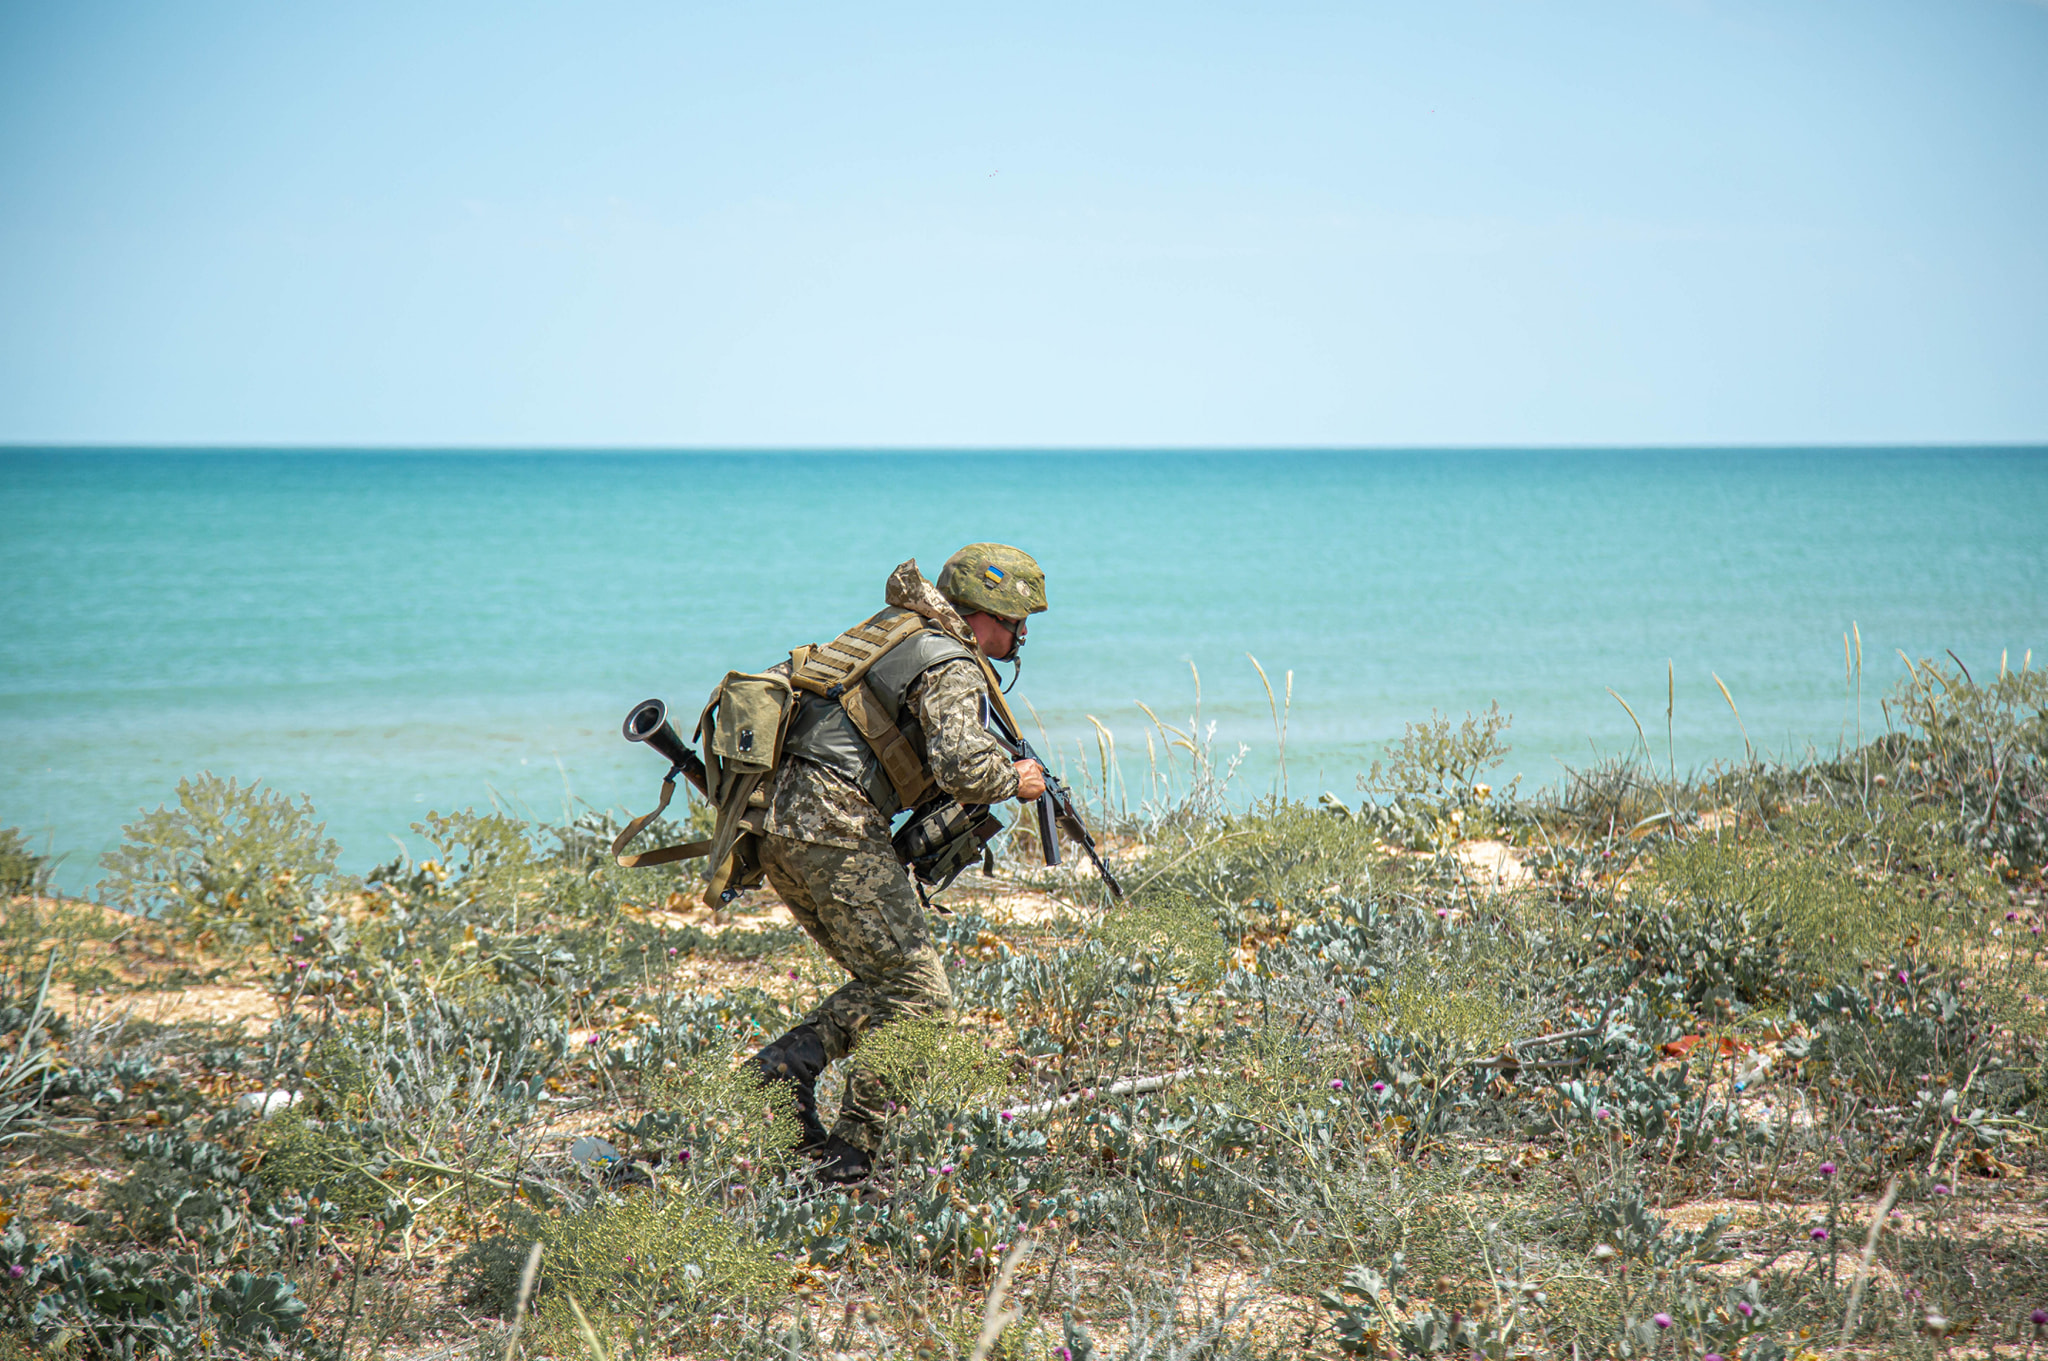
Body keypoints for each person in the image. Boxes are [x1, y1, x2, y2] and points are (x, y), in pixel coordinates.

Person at [744, 544, 1049, 1183]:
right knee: (922, 1000)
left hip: (776, 829)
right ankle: (851, 1153)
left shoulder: (895, 632)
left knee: (891, 986)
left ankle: (782, 1070)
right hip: (837, 831)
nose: (1021, 634)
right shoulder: (952, 662)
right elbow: (964, 768)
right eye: (1016, 619)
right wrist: (1017, 779)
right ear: (984, 611)